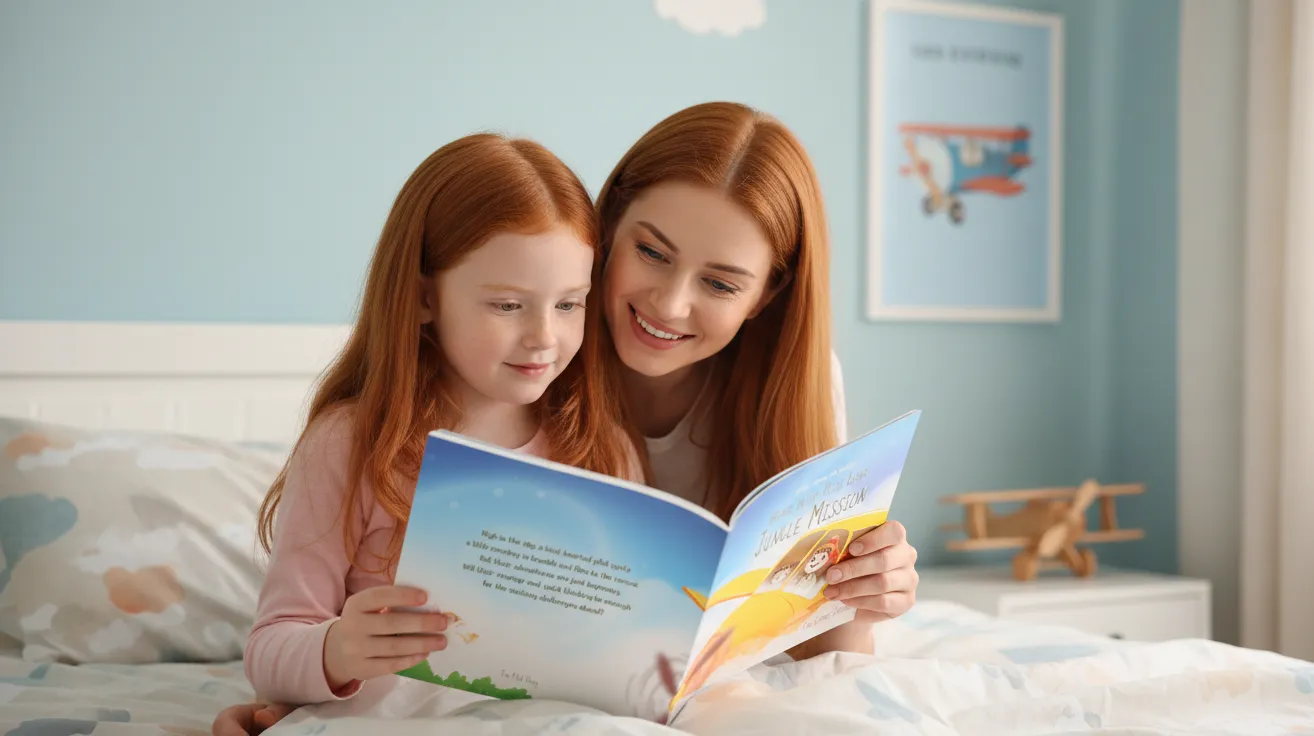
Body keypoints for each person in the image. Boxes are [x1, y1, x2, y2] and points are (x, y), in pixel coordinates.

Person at [212, 102, 919, 734]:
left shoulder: (607, 436)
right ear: (605, 232)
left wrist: (859, 595)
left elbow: (809, 663)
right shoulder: (366, 438)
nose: (669, 306)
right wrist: (321, 669)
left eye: (720, 282)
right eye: (650, 252)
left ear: (766, 295)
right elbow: (286, 637)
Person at [234, 132, 644, 719]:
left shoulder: (601, 450)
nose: (544, 337)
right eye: (507, 305)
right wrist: (335, 650)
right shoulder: (352, 445)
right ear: (425, 297)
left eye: (569, 304)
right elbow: (270, 649)